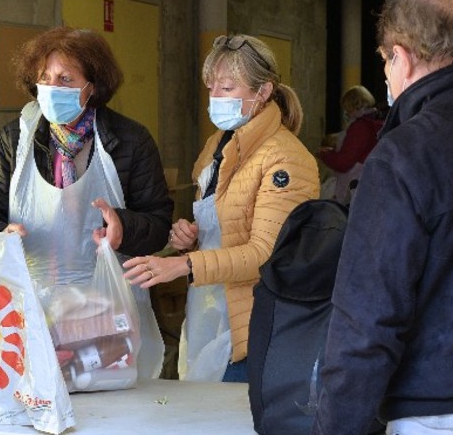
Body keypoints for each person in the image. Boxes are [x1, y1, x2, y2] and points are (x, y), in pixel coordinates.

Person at [312, 0, 453, 433]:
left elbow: (366, 325)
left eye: (384, 59)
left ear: (403, 57)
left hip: (445, 412)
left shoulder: (404, 156)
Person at [0, 26, 173, 379]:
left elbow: (159, 224)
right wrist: (2, 232)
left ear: (92, 87)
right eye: (45, 78)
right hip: (32, 307)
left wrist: (123, 228)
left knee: (108, 403)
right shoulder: (14, 140)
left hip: (107, 309)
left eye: (65, 78)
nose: (52, 88)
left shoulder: (130, 141)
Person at [123, 34, 320, 383]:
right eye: (211, 87)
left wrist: (182, 264)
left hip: (251, 321)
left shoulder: (285, 158)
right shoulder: (219, 144)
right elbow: (222, 227)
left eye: (227, 88)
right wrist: (190, 238)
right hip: (209, 308)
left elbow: (265, 254)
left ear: (262, 91)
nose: (215, 98)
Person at [319, 85, 383, 205]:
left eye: (347, 108)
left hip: (356, 184)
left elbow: (344, 162)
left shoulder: (360, 127)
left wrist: (325, 155)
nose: (346, 113)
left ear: (353, 105)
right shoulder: (375, 122)